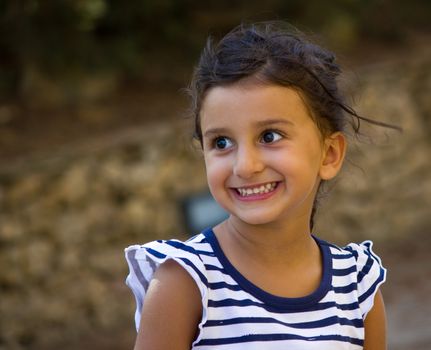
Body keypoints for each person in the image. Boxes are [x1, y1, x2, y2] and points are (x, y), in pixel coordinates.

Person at [125, 21, 390, 350]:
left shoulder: (357, 286)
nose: (245, 166)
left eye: (270, 136)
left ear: (329, 154)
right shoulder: (186, 282)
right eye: (221, 142)